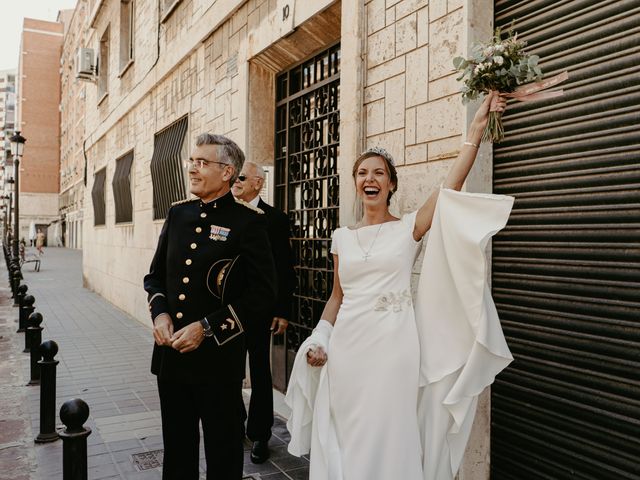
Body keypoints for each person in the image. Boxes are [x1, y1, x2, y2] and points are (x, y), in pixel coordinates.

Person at [285, 91, 514, 480]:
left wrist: (475, 128)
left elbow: (449, 186)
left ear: (391, 184)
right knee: (349, 428)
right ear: (356, 184)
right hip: (348, 349)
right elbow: (337, 297)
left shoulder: (408, 228)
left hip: (395, 346)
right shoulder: (341, 237)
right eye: (362, 173)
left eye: (378, 173)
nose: (369, 179)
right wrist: (321, 339)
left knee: (391, 428)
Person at [143, 133, 276, 480]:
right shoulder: (177, 215)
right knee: (177, 455)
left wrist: (207, 328)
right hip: (171, 360)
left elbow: (262, 294)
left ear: (227, 171)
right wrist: (160, 314)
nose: (193, 169)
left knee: (224, 454)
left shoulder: (249, 223)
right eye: (192, 161)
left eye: (203, 163)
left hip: (218, 363)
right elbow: (154, 278)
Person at [231, 161, 296, 463]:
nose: (236, 182)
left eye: (241, 178)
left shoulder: (276, 219)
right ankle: (234, 425)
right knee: (230, 371)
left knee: (259, 371)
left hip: (259, 309)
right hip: (228, 311)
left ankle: (260, 434)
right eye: (234, 177)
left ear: (258, 183)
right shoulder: (226, 214)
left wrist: (282, 310)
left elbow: (284, 268)